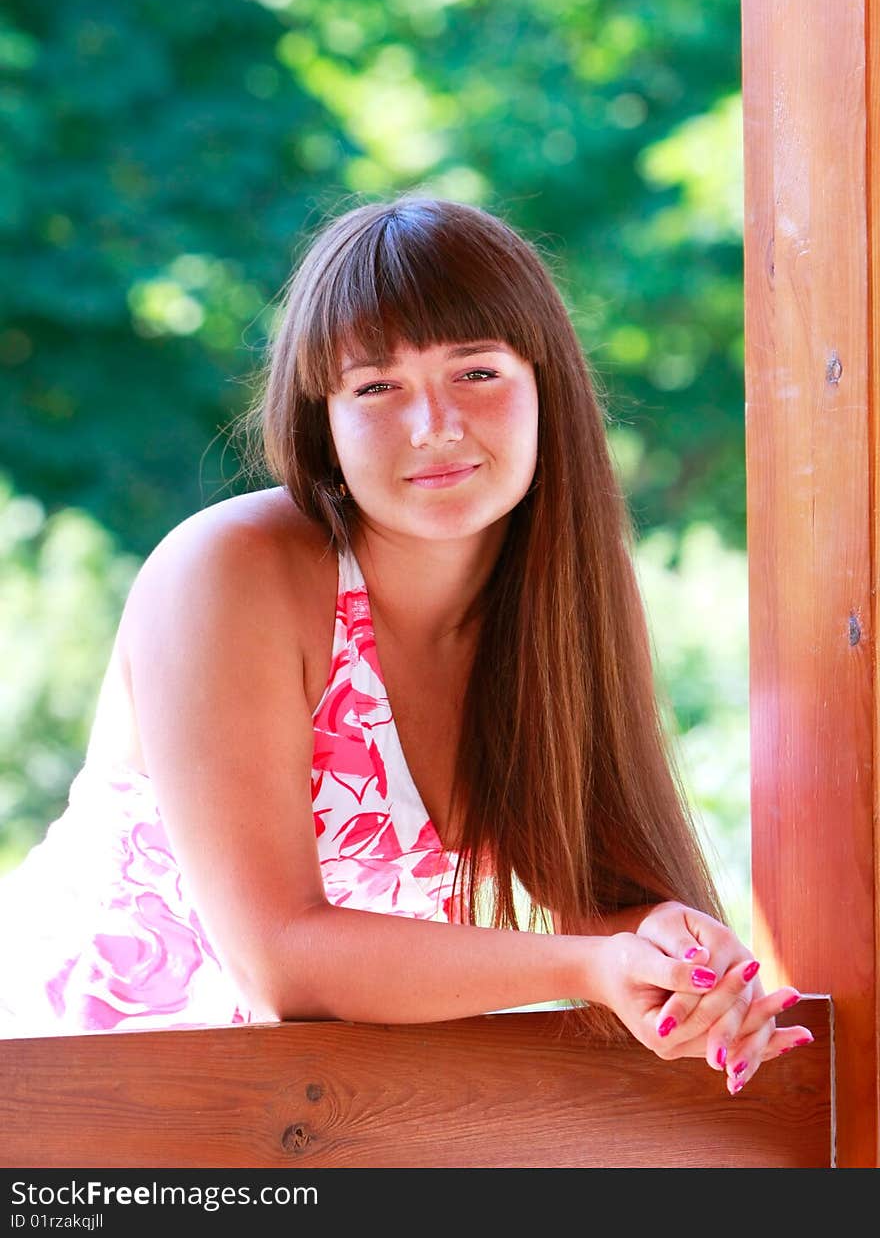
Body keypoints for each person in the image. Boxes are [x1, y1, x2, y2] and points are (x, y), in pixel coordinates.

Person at [0, 194, 811, 1096]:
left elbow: (597, 883)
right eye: (378, 386)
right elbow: (284, 964)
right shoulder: (231, 571)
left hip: (308, 1122)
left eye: (477, 372)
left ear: (547, 384)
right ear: (324, 419)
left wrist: (669, 947)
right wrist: (586, 966)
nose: (435, 425)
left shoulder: (564, 598)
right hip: (61, 1099)